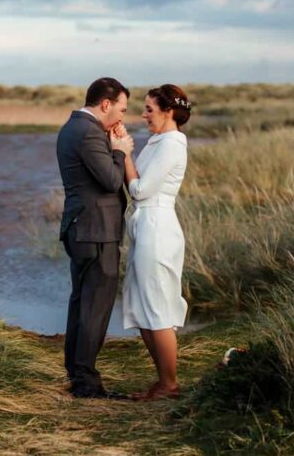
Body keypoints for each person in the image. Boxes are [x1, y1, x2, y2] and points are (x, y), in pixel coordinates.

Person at [56, 77, 134, 399]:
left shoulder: (72, 127)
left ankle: (77, 372)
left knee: (81, 302)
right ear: (105, 104)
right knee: (95, 306)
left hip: (83, 228)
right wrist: (120, 151)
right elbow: (111, 180)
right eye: (121, 109)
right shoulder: (88, 132)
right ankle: (86, 382)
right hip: (95, 230)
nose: (123, 117)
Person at [120, 84, 192, 401]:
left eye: (150, 109)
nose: (144, 114)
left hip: (158, 226)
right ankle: (163, 381)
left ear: (168, 111)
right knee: (142, 303)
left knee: (157, 305)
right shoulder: (157, 141)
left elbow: (140, 190)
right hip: (145, 224)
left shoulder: (173, 144)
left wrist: (124, 155)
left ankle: (170, 384)